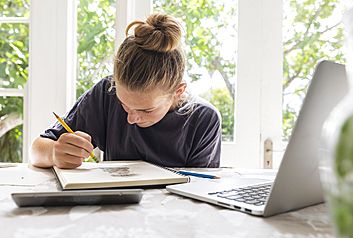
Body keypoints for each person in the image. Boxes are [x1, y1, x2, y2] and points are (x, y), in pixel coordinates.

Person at [29, 13, 222, 169]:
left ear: (179, 92)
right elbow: (36, 150)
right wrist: (54, 152)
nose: (130, 119)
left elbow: (199, 191)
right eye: (124, 105)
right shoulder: (106, 93)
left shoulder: (203, 120)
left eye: (146, 110)